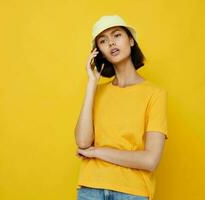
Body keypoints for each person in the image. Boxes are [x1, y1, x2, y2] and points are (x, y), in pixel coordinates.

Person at [74, 15, 168, 200]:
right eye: (103, 41)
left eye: (117, 35)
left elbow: (150, 160)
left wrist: (96, 152)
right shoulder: (97, 92)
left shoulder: (155, 94)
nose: (111, 43)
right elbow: (83, 142)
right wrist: (92, 84)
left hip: (132, 192)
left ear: (131, 40)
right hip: (91, 188)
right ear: (99, 51)